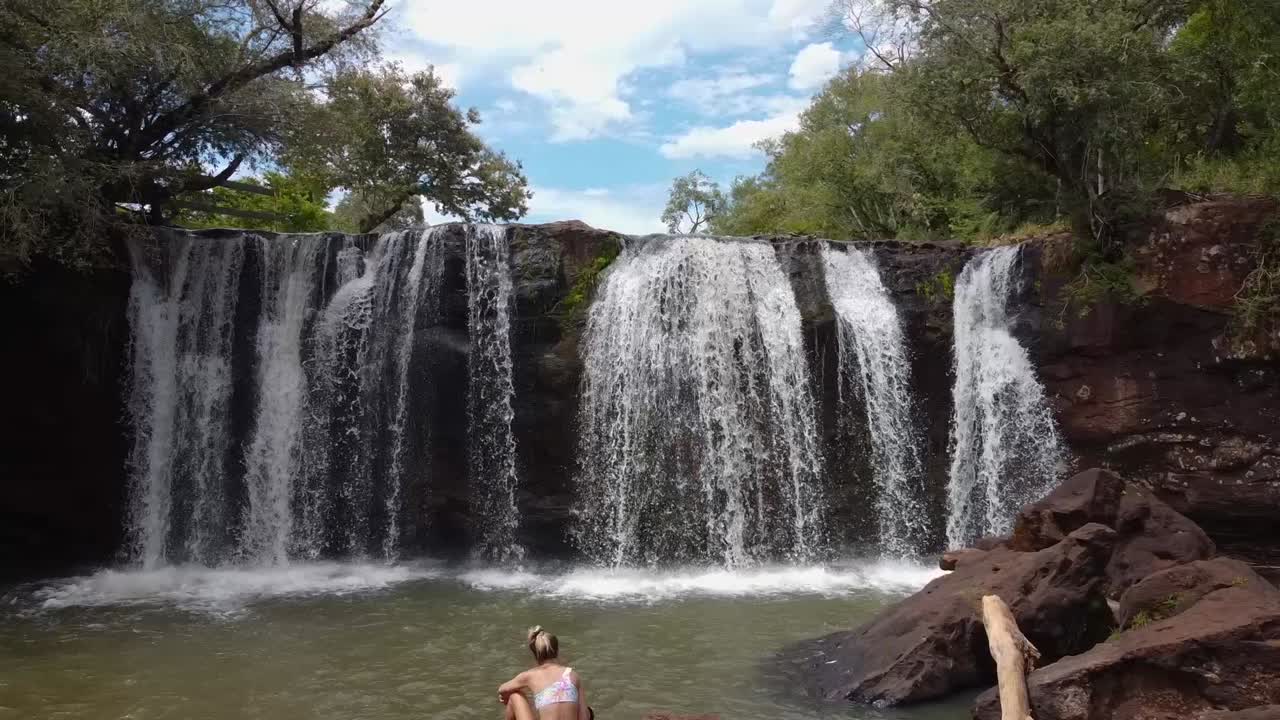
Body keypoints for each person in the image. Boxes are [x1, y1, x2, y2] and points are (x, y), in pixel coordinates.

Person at [497, 626, 591, 720]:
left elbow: (502, 689)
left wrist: (505, 696)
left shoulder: (530, 675)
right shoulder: (572, 675)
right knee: (586, 710)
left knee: (515, 696)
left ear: (535, 655)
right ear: (557, 651)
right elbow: (584, 717)